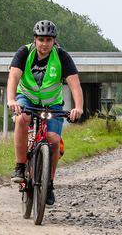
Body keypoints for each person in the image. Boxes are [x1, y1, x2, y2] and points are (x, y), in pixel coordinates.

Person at [7, 20, 84, 206]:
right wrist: (12, 100)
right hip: (27, 97)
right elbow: (13, 77)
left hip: (52, 104)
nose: (44, 44)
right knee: (21, 120)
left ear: (54, 41)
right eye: (41, 39)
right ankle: (19, 167)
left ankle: (49, 183)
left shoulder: (62, 56)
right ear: (34, 40)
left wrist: (78, 107)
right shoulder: (24, 52)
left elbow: (75, 84)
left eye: (48, 40)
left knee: (54, 139)